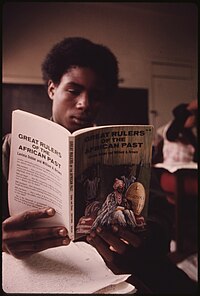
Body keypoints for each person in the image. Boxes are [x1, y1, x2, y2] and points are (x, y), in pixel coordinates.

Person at [2, 37, 197, 293]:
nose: (84, 104)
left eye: (95, 95)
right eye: (73, 90)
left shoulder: (125, 147)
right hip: (43, 265)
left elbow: (161, 218)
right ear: (52, 88)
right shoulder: (11, 148)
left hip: (113, 266)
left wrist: (142, 238)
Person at [153, 100, 197, 165]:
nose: (194, 119)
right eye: (193, 116)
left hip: (188, 168)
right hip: (172, 169)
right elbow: (170, 136)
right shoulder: (173, 128)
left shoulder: (189, 134)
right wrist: (189, 107)